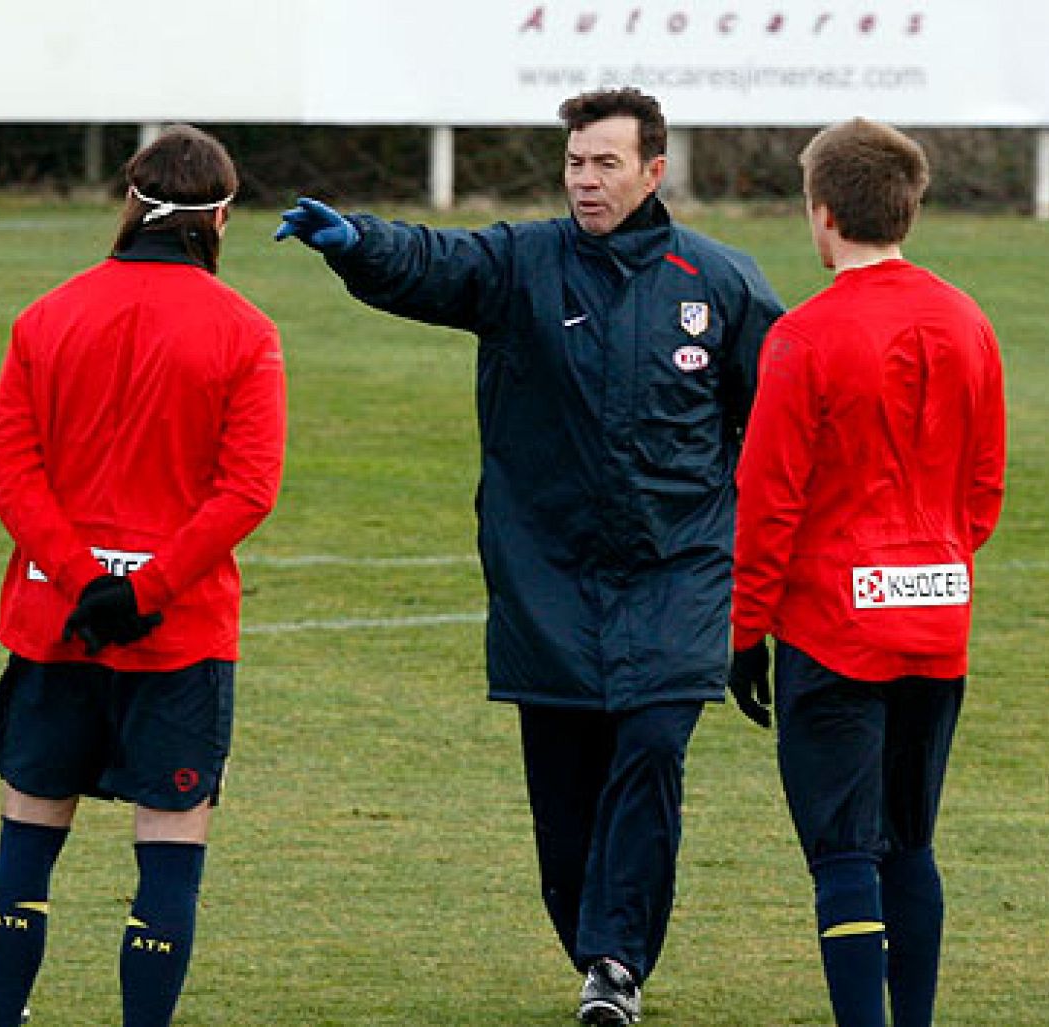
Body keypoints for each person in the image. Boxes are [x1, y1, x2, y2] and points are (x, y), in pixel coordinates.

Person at [275, 87, 783, 1025]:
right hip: (545, 577)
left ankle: (618, 963)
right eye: (575, 163)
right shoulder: (524, 265)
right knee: (564, 797)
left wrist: (765, 561)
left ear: (653, 172)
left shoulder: (718, 282)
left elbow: (783, 414)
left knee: (652, 750)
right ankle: (596, 948)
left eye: (606, 164)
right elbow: (436, 261)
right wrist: (356, 241)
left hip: (678, 574)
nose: (586, 181)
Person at [0, 124, 286, 1027]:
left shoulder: (48, 315)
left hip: (55, 623)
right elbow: (246, 491)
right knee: (169, 854)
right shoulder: (246, 332)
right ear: (220, 217)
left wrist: (81, 580)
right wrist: (142, 592)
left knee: (26, 843)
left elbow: (7, 468)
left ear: (130, 202)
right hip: (179, 636)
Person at [726, 118, 1006, 1027]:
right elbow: (984, 483)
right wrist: (937, 561)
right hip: (938, 620)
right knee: (910, 844)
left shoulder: (805, 337)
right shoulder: (968, 318)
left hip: (834, 631)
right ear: (908, 207)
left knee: (845, 852)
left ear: (822, 213)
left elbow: (767, 499)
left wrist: (744, 633)